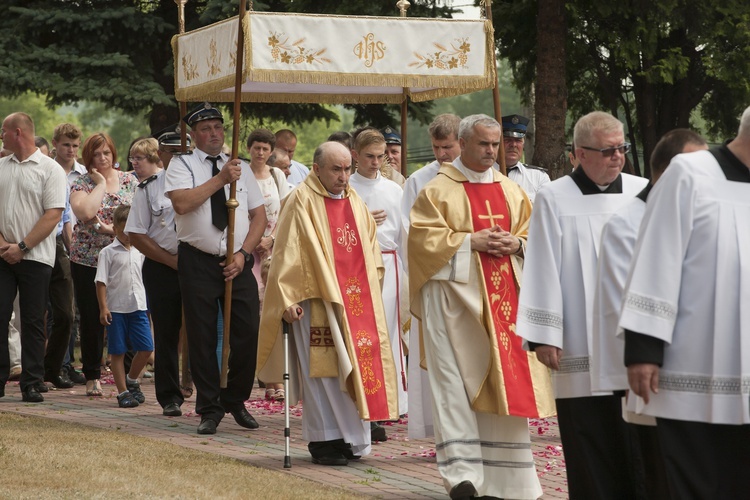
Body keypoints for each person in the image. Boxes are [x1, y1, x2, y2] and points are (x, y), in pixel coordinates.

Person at [408, 114, 554, 499]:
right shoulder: (438, 190)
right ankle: (463, 475)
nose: (492, 151)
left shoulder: (511, 190)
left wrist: (518, 246)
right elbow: (421, 243)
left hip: (502, 302)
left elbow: (532, 234)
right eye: (483, 144)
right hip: (452, 303)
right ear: (462, 142)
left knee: (501, 383)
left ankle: (510, 482)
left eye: (495, 144)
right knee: (454, 385)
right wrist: (469, 241)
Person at [516, 111, 648, 499]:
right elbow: (542, 265)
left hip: (632, 340)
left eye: (621, 148)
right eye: (607, 151)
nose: (617, 157)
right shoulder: (554, 197)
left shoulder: (643, 191)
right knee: (591, 437)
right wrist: (543, 335)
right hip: (581, 341)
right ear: (579, 154)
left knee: (639, 437)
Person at [620, 106, 750, 498]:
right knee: (700, 480)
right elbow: (657, 255)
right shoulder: (690, 173)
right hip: (696, 363)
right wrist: (643, 347)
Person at [257, 141, 398, 466]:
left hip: (354, 305)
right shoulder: (300, 201)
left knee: (355, 371)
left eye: (348, 168)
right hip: (315, 303)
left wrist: (369, 290)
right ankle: (324, 442)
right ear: (317, 169)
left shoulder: (355, 203)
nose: (344, 176)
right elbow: (286, 255)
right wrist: (287, 299)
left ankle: (352, 439)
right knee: (323, 375)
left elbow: (370, 250)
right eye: (337, 169)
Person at [591, 128, 706, 499]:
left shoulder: (704, 215)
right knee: (661, 476)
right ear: (669, 172)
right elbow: (620, 304)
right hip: (657, 372)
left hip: (707, 372)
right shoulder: (627, 223)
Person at [165, 102, 266, 435]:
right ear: (193, 135)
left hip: (235, 260)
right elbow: (182, 203)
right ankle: (209, 407)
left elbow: (259, 217)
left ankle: (234, 399)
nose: (213, 134)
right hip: (197, 259)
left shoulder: (241, 167)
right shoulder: (182, 164)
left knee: (248, 331)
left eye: (218, 127)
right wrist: (221, 179)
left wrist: (243, 255)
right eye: (205, 129)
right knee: (202, 336)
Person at [400, 113, 462, 440]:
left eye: (448, 147)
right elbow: (409, 233)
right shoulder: (418, 181)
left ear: (462, 142)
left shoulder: (484, 177)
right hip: (432, 280)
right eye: (437, 147)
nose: (441, 155)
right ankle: (439, 429)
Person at [0, 112, 67, 402]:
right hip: (2, 255)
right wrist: (3, 243)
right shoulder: (0, 166)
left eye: (3, 130)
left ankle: (31, 381)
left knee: (33, 320)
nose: (0, 136)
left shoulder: (50, 169)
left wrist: (22, 246)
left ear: (17, 132)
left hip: (36, 256)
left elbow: (53, 214)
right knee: (0, 316)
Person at [70, 132, 137, 397]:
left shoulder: (130, 181)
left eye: (106, 152)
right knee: (92, 317)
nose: (102, 158)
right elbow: (86, 213)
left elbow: (139, 217)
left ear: (114, 153)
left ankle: (128, 374)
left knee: (128, 311)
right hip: (89, 259)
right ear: (88, 158)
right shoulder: (82, 183)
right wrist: (98, 183)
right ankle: (93, 374)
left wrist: (112, 230)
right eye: (96, 154)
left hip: (124, 258)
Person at [348, 129, 408, 424]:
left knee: (389, 333)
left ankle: (392, 399)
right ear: (355, 156)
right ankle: (361, 395)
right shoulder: (346, 188)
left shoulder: (395, 190)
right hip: (355, 265)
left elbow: (404, 234)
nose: (375, 162)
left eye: (380, 156)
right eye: (369, 157)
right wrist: (362, 222)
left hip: (389, 262)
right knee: (361, 332)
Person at [124, 137, 185, 416]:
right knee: (166, 332)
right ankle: (170, 396)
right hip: (163, 265)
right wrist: (171, 262)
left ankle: (211, 395)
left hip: (201, 264)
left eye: (184, 151)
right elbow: (135, 233)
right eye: (173, 152)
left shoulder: (203, 182)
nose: (179, 156)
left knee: (205, 331)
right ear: (162, 154)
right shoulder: (150, 188)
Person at [245, 128, 291, 401]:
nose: (260, 153)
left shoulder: (277, 176)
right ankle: (258, 372)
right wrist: (252, 243)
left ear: (271, 151)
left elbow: (286, 211)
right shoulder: (241, 175)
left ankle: (276, 378)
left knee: (272, 312)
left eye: (265, 148)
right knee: (251, 314)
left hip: (271, 251)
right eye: (256, 148)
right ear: (249, 148)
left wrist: (271, 239)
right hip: (248, 250)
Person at [95, 205, 153, 408]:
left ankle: (132, 379)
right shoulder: (107, 253)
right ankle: (123, 392)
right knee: (117, 351)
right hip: (117, 308)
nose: (128, 235)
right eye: (123, 230)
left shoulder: (142, 251)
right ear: (115, 228)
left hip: (138, 306)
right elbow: (101, 281)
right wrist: (103, 307)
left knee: (146, 348)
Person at [52, 123, 87, 386]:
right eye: (66, 145)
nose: (71, 150)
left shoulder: (83, 174)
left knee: (73, 309)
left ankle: (69, 363)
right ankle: (57, 364)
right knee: (56, 310)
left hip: (79, 245)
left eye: (75, 146)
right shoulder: (48, 170)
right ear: (56, 144)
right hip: (52, 242)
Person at [501, 114, 550, 202]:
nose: (513, 145)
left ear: (523, 144)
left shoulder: (538, 177)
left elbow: (547, 211)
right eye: (507, 140)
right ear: (497, 142)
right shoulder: (485, 173)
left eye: (518, 140)